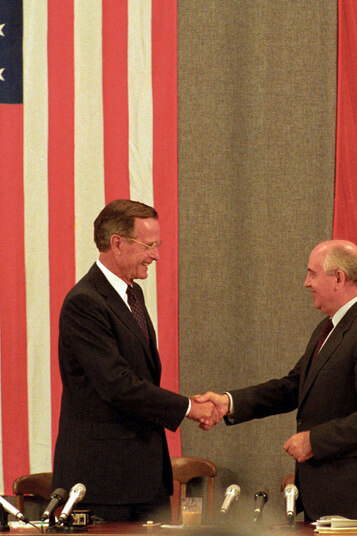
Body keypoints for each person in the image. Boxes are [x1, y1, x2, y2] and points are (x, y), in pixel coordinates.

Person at [196, 240, 357, 522]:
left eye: (312, 274)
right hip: (332, 493)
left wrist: (314, 440)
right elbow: (294, 386)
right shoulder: (332, 325)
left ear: (338, 278)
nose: (306, 283)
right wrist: (229, 403)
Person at [51, 199, 219, 523]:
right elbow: (117, 385)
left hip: (142, 480)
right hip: (104, 483)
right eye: (150, 245)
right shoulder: (85, 302)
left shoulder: (132, 294)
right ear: (117, 243)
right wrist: (188, 407)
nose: (156, 255)